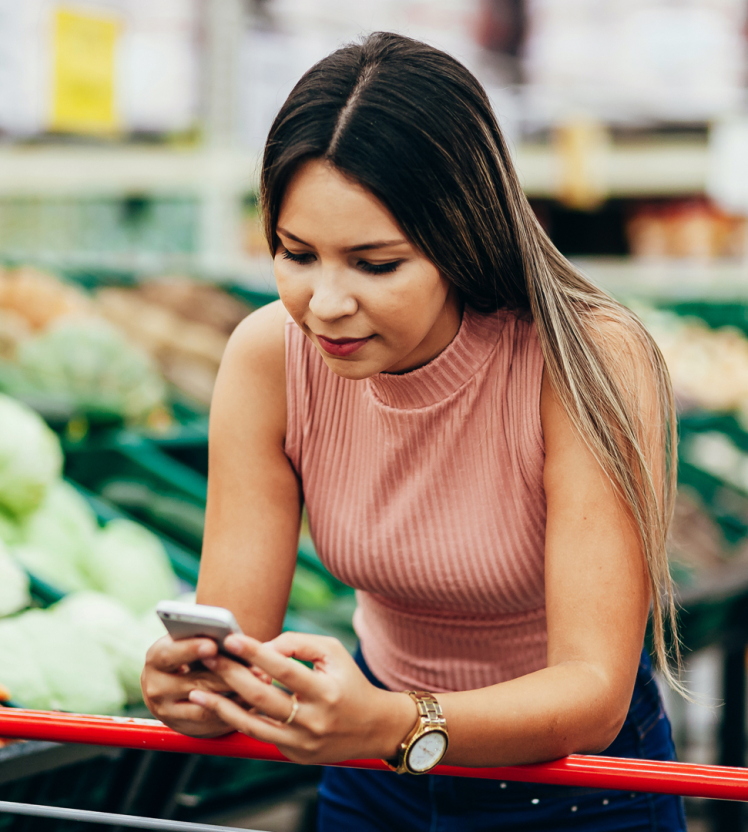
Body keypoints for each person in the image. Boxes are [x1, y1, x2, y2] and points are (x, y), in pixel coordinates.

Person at [141, 32, 687, 831]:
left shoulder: (586, 359)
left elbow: (592, 694)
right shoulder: (267, 357)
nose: (324, 302)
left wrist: (396, 723)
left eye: (375, 264)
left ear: (460, 237)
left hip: (577, 789)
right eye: (297, 254)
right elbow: (234, 631)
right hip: (375, 781)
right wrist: (201, 688)